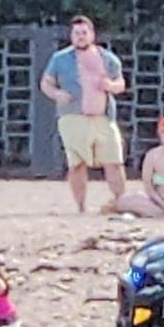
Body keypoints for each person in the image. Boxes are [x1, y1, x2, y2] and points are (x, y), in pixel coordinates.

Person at [39, 15, 128, 212]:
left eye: (84, 33)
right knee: (77, 164)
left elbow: (121, 84)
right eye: (76, 33)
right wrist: (57, 94)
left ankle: (122, 203)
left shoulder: (108, 59)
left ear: (92, 35)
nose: (80, 37)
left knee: (114, 161)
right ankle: (81, 208)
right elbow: (46, 82)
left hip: (104, 116)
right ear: (71, 36)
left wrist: (110, 86)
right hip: (73, 117)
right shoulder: (60, 59)